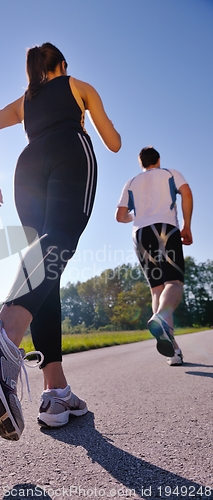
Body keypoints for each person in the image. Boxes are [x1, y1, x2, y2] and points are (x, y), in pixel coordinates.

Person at [0, 42, 121, 441]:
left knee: (47, 268)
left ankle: (55, 391)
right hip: (68, 150)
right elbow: (113, 142)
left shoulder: (24, 103)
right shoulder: (77, 85)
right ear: (62, 64)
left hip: (25, 168)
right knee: (60, 240)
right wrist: (88, 115)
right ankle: (4, 335)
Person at [115, 146, 193, 366]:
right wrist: (187, 226)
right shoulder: (170, 173)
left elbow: (120, 215)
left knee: (157, 288)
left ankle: (174, 351)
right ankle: (163, 318)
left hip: (140, 233)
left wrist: (137, 215)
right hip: (166, 229)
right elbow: (186, 192)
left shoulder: (131, 182)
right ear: (158, 159)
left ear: (141, 163)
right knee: (174, 282)